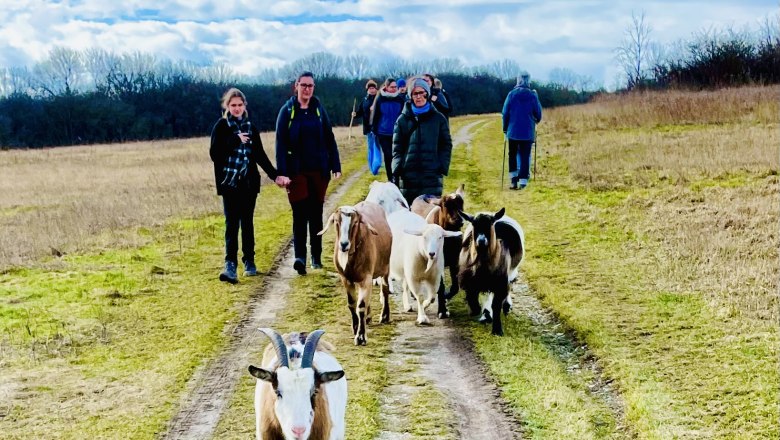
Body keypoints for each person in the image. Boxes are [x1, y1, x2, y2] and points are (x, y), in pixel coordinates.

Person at [210, 87, 286, 284]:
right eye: (233, 105)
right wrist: (235, 140)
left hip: (249, 184)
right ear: (227, 106)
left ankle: (249, 261)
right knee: (231, 224)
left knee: (247, 223)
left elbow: (259, 155)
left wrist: (275, 175)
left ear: (245, 106)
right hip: (229, 184)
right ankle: (230, 264)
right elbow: (215, 154)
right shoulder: (221, 127)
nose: (236, 108)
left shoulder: (251, 127)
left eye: (240, 105)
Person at [275, 72, 342, 275]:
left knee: (315, 215)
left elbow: (329, 138)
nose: (307, 89)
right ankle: (300, 258)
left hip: (319, 171)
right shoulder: (287, 112)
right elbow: (280, 144)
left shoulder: (319, 110)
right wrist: (282, 173)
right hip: (296, 172)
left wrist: (335, 165)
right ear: (296, 86)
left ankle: (316, 257)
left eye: (310, 86)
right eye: (303, 85)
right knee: (299, 214)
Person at [391, 77, 453, 205]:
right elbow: (397, 147)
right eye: (415, 93)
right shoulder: (402, 120)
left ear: (427, 94)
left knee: (431, 217)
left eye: (421, 93)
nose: (418, 97)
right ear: (410, 96)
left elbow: (446, 144)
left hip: (432, 175)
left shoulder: (438, 119)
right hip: (409, 176)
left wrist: (441, 165)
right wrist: (398, 168)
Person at [502, 71, 542, 190]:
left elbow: (505, 113)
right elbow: (538, 113)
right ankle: (523, 182)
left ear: (518, 80)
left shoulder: (511, 94)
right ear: (528, 81)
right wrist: (536, 119)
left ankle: (513, 180)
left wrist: (505, 128)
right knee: (525, 155)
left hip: (513, 131)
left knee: (512, 154)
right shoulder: (532, 95)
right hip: (527, 131)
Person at [370, 78, 406, 182]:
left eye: (396, 87)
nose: (395, 89)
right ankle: (391, 178)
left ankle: (397, 176)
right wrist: (374, 129)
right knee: (388, 155)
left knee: (397, 155)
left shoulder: (400, 99)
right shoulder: (380, 99)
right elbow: (376, 115)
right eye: (392, 87)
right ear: (386, 87)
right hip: (383, 133)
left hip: (397, 133)